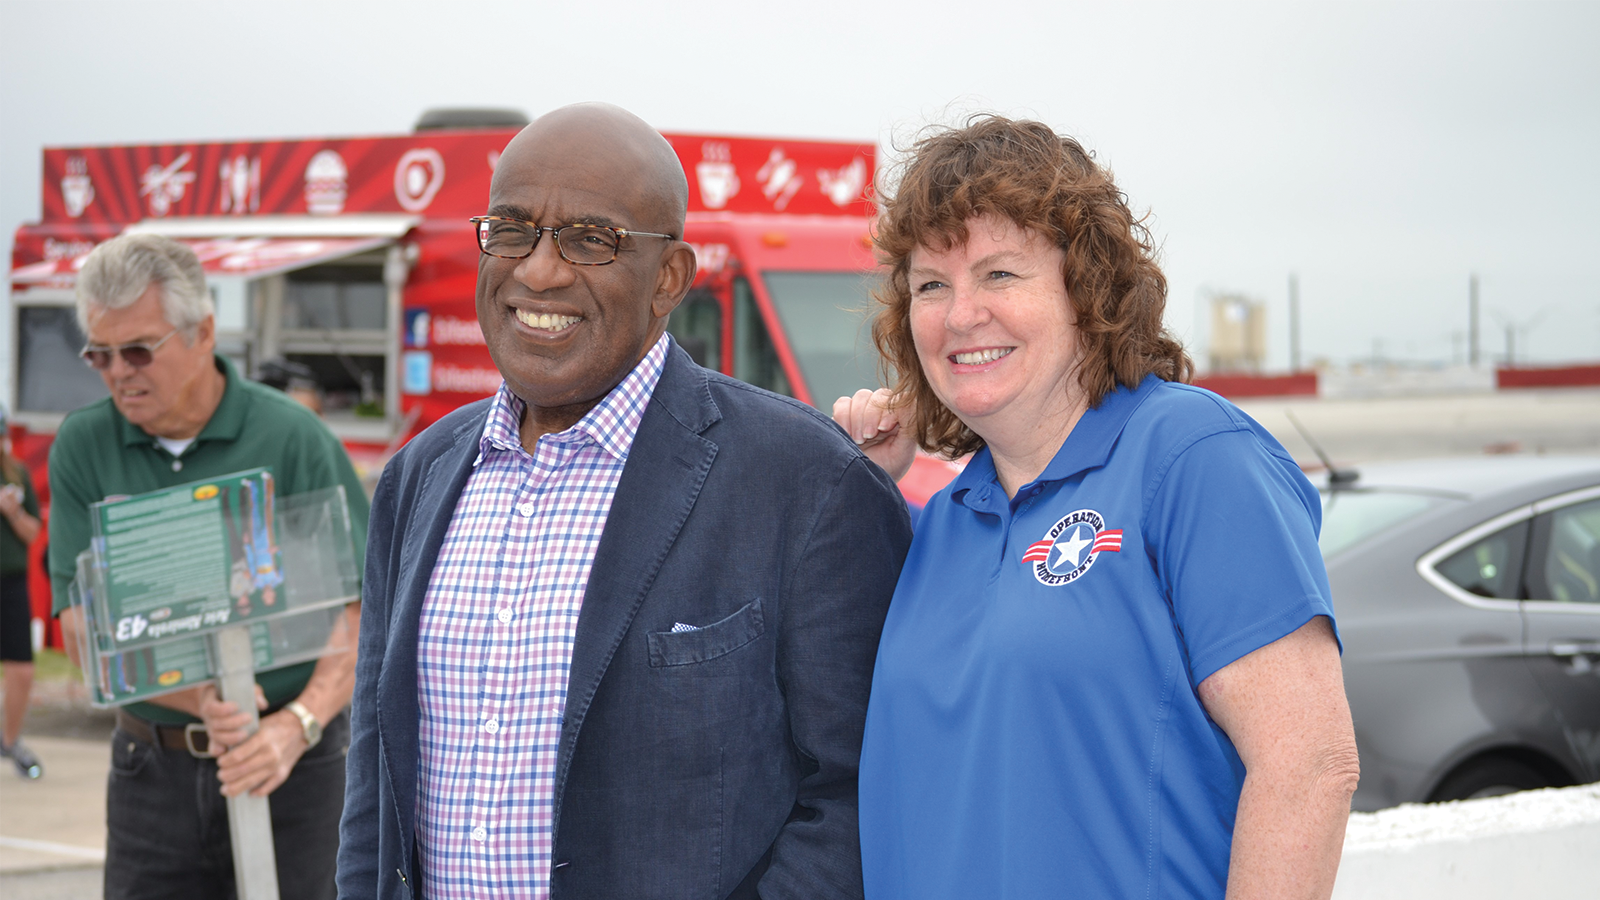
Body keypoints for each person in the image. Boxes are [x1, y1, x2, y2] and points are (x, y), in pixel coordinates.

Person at [336, 102, 912, 900]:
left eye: (590, 239)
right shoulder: (418, 478)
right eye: (511, 229)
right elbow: (375, 773)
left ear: (670, 278)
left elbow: (857, 798)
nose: (538, 270)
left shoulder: (810, 484)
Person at [833, 116, 1359, 900]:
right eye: (930, 285)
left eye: (1000, 274)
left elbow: (1309, 763)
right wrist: (863, 489)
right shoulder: (944, 521)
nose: (960, 313)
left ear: (1087, 286)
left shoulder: (1190, 456)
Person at [47, 234, 370, 900]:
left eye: (137, 350)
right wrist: (203, 700)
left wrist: (294, 725)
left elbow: (360, 611)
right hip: (151, 772)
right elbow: (80, 628)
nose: (117, 373)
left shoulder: (291, 438)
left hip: (296, 769)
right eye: (98, 354)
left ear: (202, 334)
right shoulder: (84, 443)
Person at [0, 405, 44, 778]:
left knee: (22, 670)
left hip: (11, 582)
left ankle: (9, 741)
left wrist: (12, 512)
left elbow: (33, 534)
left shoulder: (18, 475)